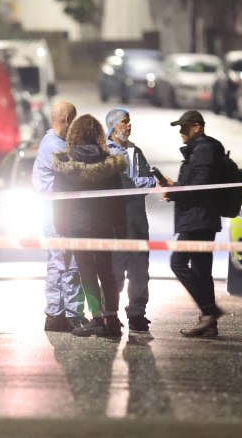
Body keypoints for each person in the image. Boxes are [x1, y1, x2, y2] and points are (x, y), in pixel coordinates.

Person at [52, 114, 128, 339]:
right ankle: (112, 319)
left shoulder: (66, 164)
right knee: (106, 271)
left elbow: (60, 201)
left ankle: (96, 318)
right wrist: (121, 229)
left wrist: (60, 228)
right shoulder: (109, 164)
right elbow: (118, 200)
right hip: (104, 225)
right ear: (98, 135)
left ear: (74, 134)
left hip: (76, 227)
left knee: (86, 272)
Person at [160, 110, 225, 338]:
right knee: (201, 269)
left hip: (199, 220)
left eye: (184, 127)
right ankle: (209, 322)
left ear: (197, 127)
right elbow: (195, 184)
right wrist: (174, 188)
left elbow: (199, 186)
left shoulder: (204, 149)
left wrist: (175, 191)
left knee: (178, 263)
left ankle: (209, 311)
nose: (181, 132)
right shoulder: (201, 149)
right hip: (200, 218)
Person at [32, 101, 86, 332]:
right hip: (58, 215)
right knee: (70, 264)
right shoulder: (56, 147)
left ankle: (55, 315)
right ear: (66, 120)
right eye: (74, 120)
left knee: (56, 264)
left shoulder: (52, 142)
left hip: (54, 212)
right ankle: (75, 315)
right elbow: (78, 172)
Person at [104, 107, 157, 333]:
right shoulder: (104, 153)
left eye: (129, 121)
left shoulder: (136, 151)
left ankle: (137, 313)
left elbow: (149, 181)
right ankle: (109, 315)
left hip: (137, 221)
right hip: (114, 222)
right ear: (114, 126)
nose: (129, 125)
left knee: (139, 270)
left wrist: (132, 186)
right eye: (125, 122)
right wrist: (135, 185)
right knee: (113, 271)